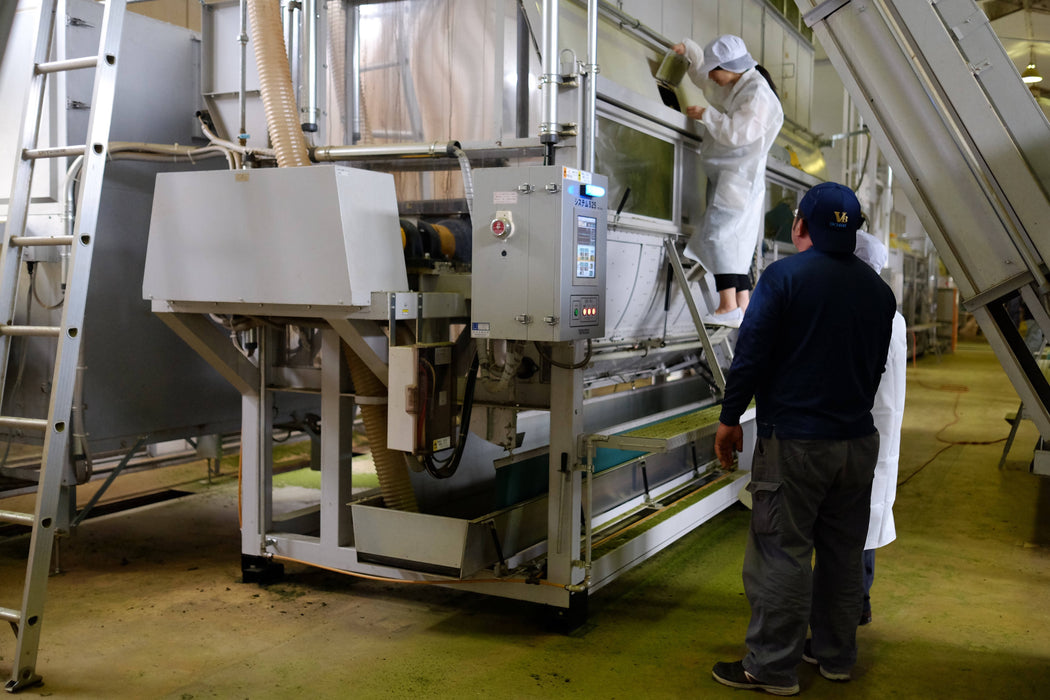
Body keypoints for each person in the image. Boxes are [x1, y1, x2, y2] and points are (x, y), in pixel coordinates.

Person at [710, 182, 896, 695]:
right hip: (856, 443)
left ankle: (771, 667)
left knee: (782, 551)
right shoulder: (879, 292)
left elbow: (750, 355)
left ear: (800, 226)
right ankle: (835, 656)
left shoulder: (783, 277)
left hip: (795, 443)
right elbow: (874, 370)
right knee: (843, 553)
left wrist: (730, 417)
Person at [672, 35, 784, 326]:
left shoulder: (757, 93)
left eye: (714, 70)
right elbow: (708, 80)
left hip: (739, 179)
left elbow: (739, 133)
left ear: (729, 67)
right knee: (737, 246)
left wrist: (707, 115)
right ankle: (742, 306)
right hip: (734, 176)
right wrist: (688, 50)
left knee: (719, 238)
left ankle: (727, 306)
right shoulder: (740, 83)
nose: (710, 77)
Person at [853, 231, 906, 626]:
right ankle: (860, 601)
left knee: (854, 522)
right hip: (878, 429)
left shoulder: (865, 311)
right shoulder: (892, 314)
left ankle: (852, 605)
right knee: (864, 519)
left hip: (863, 429)